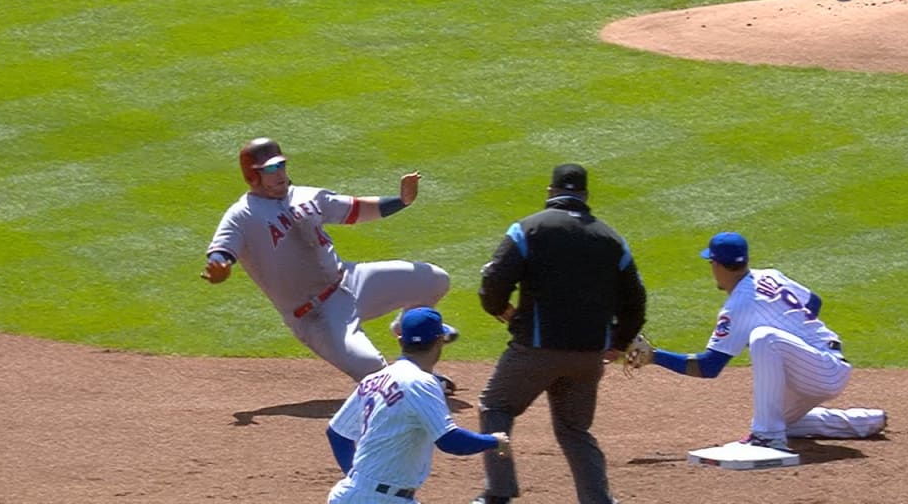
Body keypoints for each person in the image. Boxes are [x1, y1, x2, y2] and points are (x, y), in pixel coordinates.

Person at [202, 137, 458, 391]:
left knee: (434, 279)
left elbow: (356, 210)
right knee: (371, 366)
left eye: (281, 165)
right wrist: (219, 266)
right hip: (315, 314)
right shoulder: (241, 215)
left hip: (350, 281)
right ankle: (415, 380)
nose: (279, 173)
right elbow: (222, 249)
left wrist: (402, 200)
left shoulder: (306, 196)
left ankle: (405, 328)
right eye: (270, 169)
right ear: (252, 176)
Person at [472, 163, 647, 504]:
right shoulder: (611, 239)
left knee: (496, 407)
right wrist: (619, 341)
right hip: (588, 356)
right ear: (584, 196)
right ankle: (598, 500)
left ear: (551, 193)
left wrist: (503, 312)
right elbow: (636, 299)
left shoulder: (528, 229)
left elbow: (493, 283)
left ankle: (499, 491)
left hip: (535, 349)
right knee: (574, 430)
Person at [627, 231, 886, 451]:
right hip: (820, 362)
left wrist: (655, 356)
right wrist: (792, 337)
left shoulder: (739, 305)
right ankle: (863, 421)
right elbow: (813, 302)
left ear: (717, 265)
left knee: (764, 338)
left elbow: (709, 367)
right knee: (775, 417)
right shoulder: (770, 275)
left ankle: (767, 439)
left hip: (823, 369)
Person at [325, 306, 510, 504]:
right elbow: (450, 440)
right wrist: (494, 440)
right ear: (439, 341)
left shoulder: (374, 379)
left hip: (349, 494)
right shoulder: (422, 382)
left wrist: (358, 481)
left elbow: (337, 433)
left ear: (401, 340)